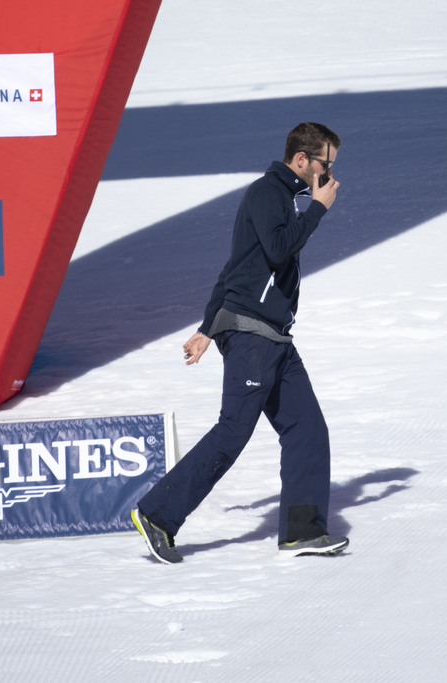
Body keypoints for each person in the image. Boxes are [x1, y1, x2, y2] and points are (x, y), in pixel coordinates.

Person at [131, 122, 348, 563]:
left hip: (274, 338)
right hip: (252, 334)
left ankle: (302, 532)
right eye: (325, 163)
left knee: (308, 429)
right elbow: (276, 249)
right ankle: (157, 513)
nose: (328, 173)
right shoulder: (269, 192)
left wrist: (206, 328)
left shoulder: (284, 198)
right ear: (302, 160)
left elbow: (235, 267)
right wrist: (318, 209)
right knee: (232, 432)